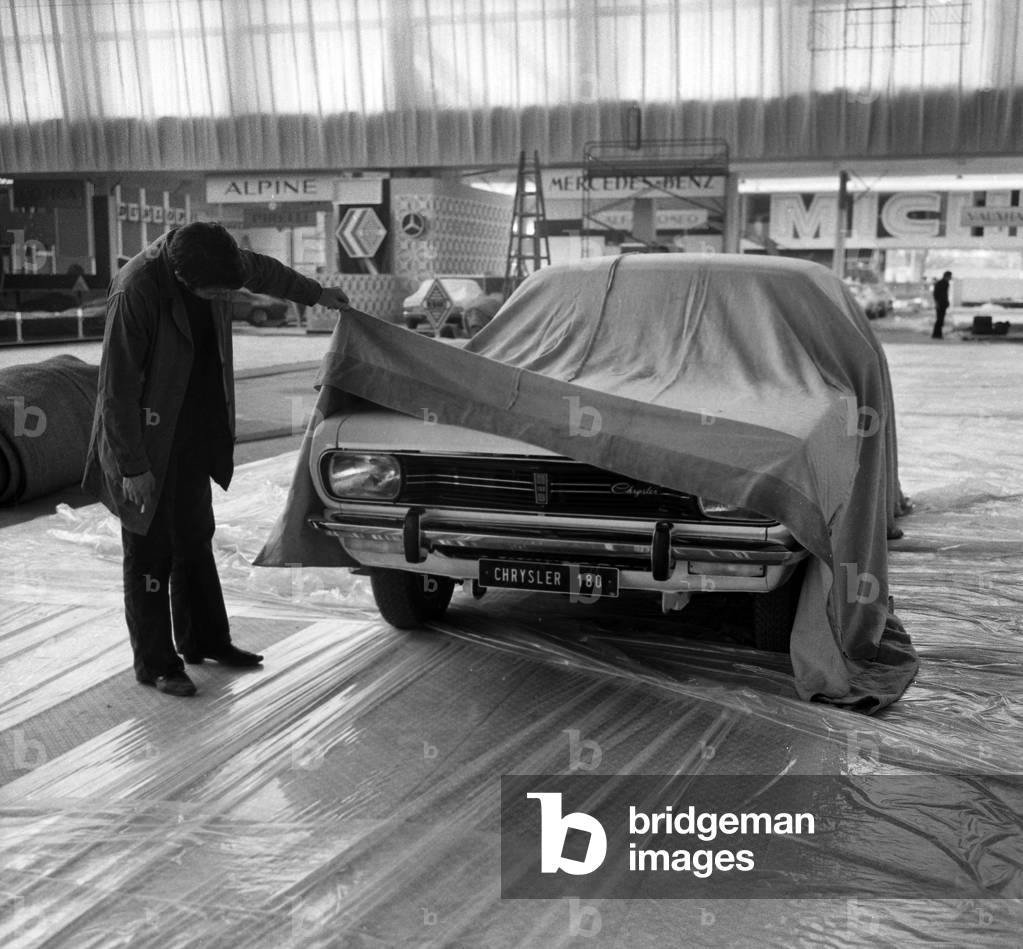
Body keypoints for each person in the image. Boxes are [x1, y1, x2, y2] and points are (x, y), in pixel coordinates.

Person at [83, 222, 350, 696]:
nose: (220, 297)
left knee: (194, 536)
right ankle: (156, 663)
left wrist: (316, 293)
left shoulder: (218, 258)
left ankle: (205, 640)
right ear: (182, 278)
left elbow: (264, 271)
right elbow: (116, 389)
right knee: (149, 552)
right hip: (144, 438)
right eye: (213, 291)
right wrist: (133, 467)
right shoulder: (137, 290)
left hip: (192, 431)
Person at [931, 270, 952, 339]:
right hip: (941, 303)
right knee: (939, 319)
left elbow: (943, 294)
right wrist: (938, 302)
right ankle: (936, 334)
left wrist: (946, 302)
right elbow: (940, 294)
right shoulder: (943, 283)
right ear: (947, 276)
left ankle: (937, 334)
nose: (951, 278)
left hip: (941, 303)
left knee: (940, 319)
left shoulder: (943, 283)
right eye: (950, 276)